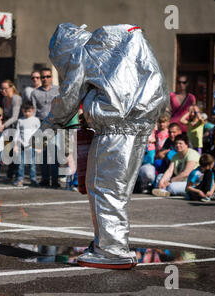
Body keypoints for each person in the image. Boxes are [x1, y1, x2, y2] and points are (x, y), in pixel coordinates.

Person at [41, 23, 168, 269]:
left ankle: (112, 250)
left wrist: (49, 124)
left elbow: (68, 97)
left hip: (113, 124)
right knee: (116, 188)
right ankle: (111, 244)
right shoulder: (117, 45)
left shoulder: (82, 52)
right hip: (141, 121)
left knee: (103, 187)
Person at [31, 67, 60, 188]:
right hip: (41, 124)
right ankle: (44, 179)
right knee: (42, 154)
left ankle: (55, 180)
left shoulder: (58, 91)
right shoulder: (35, 92)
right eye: (43, 77)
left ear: (51, 77)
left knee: (54, 154)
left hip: (55, 125)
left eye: (48, 76)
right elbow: (33, 111)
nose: (45, 79)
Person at [0, 80, 23, 181]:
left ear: (12, 87)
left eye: (5, 88)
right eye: (1, 89)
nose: (3, 90)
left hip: (17, 128)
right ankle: (10, 174)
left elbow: (15, 117)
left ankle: (16, 174)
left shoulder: (16, 98)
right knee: (9, 151)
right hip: (9, 128)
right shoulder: (4, 99)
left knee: (15, 151)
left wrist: (3, 125)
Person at [14, 103, 41, 187]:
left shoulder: (36, 120)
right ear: (22, 111)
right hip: (22, 145)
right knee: (21, 164)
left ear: (33, 110)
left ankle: (33, 180)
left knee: (32, 165)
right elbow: (17, 133)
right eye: (25, 111)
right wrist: (15, 145)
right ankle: (19, 179)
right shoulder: (20, 120)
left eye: (29, 111)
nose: (27, 113)